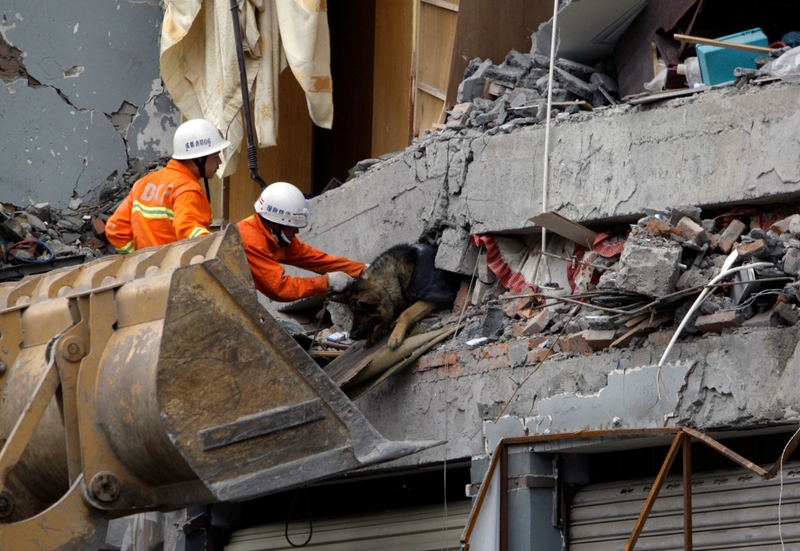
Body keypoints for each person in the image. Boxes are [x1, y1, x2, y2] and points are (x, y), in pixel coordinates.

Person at [106, 119, 230, 254]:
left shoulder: (144, 182)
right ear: (197, 159)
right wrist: (218, 253)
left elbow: (115, 228)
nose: (219, 162)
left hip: (148, 273)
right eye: (215, 156)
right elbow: (190, 234)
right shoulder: (187, 190)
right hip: (174, 273)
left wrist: (137, 258)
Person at [237, 182, 365, 302]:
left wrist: (363, 270)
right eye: (293, 227)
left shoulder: (273, 234)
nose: (297, 231)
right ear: (277, 225)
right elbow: (279, 289)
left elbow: (316, 259)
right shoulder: (251, 242)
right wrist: (326, 282)